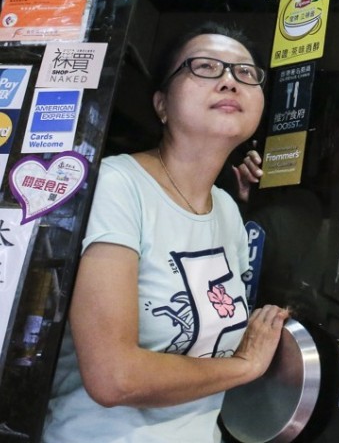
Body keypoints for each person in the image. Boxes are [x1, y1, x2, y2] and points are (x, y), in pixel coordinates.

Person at [44, 23, 288, 442]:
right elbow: (114, 377)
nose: (230, 81)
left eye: (246, 74)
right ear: (162, 104)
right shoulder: (119, 183)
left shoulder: (228, 211)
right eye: (206, 67)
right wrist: (245, 365)